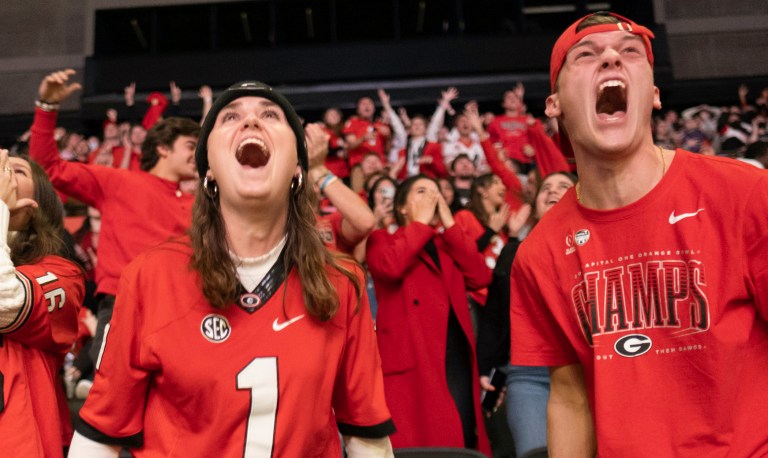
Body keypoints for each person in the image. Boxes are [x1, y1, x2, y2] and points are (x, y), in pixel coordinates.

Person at [69, 81, 395, 457]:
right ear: (208, 173)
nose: (252, 122)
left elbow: (366, 438)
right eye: (231, 117)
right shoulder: (148, 276)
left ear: (298, 170)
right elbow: (100, 436)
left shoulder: (343, 284)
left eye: (271, 115)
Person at [510, 11, 768, 457]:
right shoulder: (540, 253)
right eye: (586, 55)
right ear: (554, 103)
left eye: (630, 53)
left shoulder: (745, 194)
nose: (611, 57)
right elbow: (571, 400)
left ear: (653, 94)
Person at [29, 69, 200, 370]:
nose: (197, 155)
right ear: (162, 148)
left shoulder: (200, 205)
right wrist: (46, 108)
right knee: (110, 403)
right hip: (123, 306)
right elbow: (48, 167)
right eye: (190, 146)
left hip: (183, 311)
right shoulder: (118, 181)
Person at [367, 175, 491, 455]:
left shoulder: (449, 243)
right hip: (411, 355)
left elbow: (481, 276)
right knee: (415, 443)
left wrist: (450, 224)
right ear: (402, 207)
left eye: (436, 192)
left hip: (452, 353)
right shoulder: (382, 239)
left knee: (457, 439)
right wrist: (421, 225)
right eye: (422, 191)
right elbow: (389, 267)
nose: (432, 197)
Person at [477, 172, 574, 458]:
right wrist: (487, 368)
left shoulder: (599, 243)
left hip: (586, 371)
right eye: (546, 188)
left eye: (563, 186)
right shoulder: (514, 252)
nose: (552, 191)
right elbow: (495, 315)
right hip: (527, 374)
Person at [0, 148, 85, 457]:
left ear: (37, 204)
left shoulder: (63, 272)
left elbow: (4, 301)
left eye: (16, 171)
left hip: (17, 438)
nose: (3, 172)